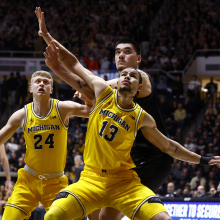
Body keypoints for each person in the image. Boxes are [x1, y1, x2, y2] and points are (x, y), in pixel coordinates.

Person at [44, 42, 220, 220]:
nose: (127, 76)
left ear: (139, 87)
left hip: (126, 179)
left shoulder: (142, 117)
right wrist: (49, 44)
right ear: (117, 81)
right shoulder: (102, 93)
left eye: (133, 75)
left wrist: (204, 160)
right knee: (56, 216)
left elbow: (168, 146)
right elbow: (75, 65)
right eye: (123, 74)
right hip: (92, 178)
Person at [35, 7, 173, 219]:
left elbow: (91, 84)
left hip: (153, 158)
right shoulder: (112, 91)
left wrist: (83, 84)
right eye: (117, 52)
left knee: (107, 217)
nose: (121, 55)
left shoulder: (139, 78)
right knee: (97, 214)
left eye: (127, 52)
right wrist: (47, 38)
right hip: (130, 157)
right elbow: (79, 72)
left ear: (139, 59)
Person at [0, 71, 92, 220]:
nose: (42, 84)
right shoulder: (21, 115)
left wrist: (87, 97)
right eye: (37, 82)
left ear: (51, 89)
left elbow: (92, 110)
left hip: (56, 182)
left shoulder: (62, 108)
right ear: (30, 88)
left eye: (46, 82)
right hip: (28, 181)